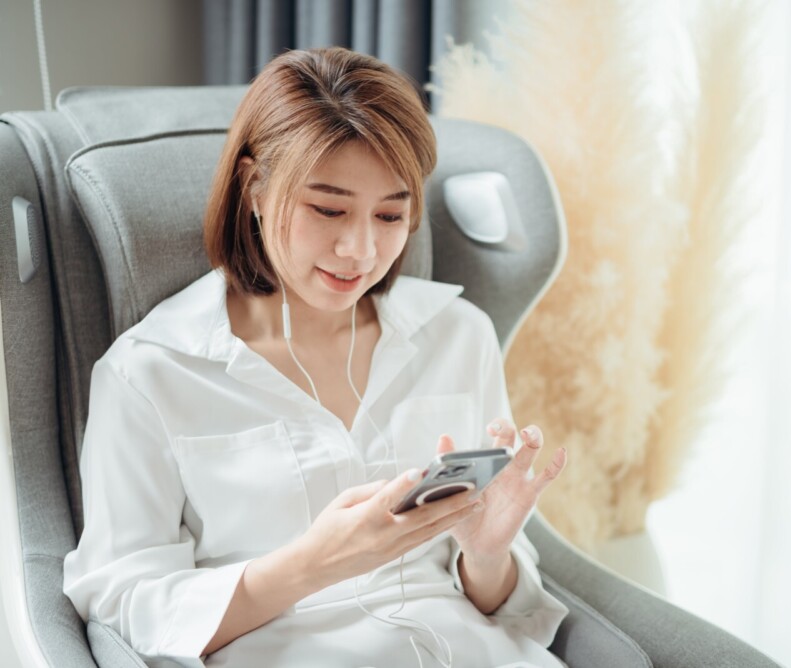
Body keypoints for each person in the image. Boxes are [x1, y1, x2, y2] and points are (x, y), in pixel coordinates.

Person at [63, 47, 569, 668]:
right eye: (328, 209)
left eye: (391, 214)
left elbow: (504, 605)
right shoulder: (149, 373)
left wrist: (488, 553)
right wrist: (312, 565)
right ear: (253, 186)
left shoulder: (459, 334)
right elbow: (122, 602)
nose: (360, 249)